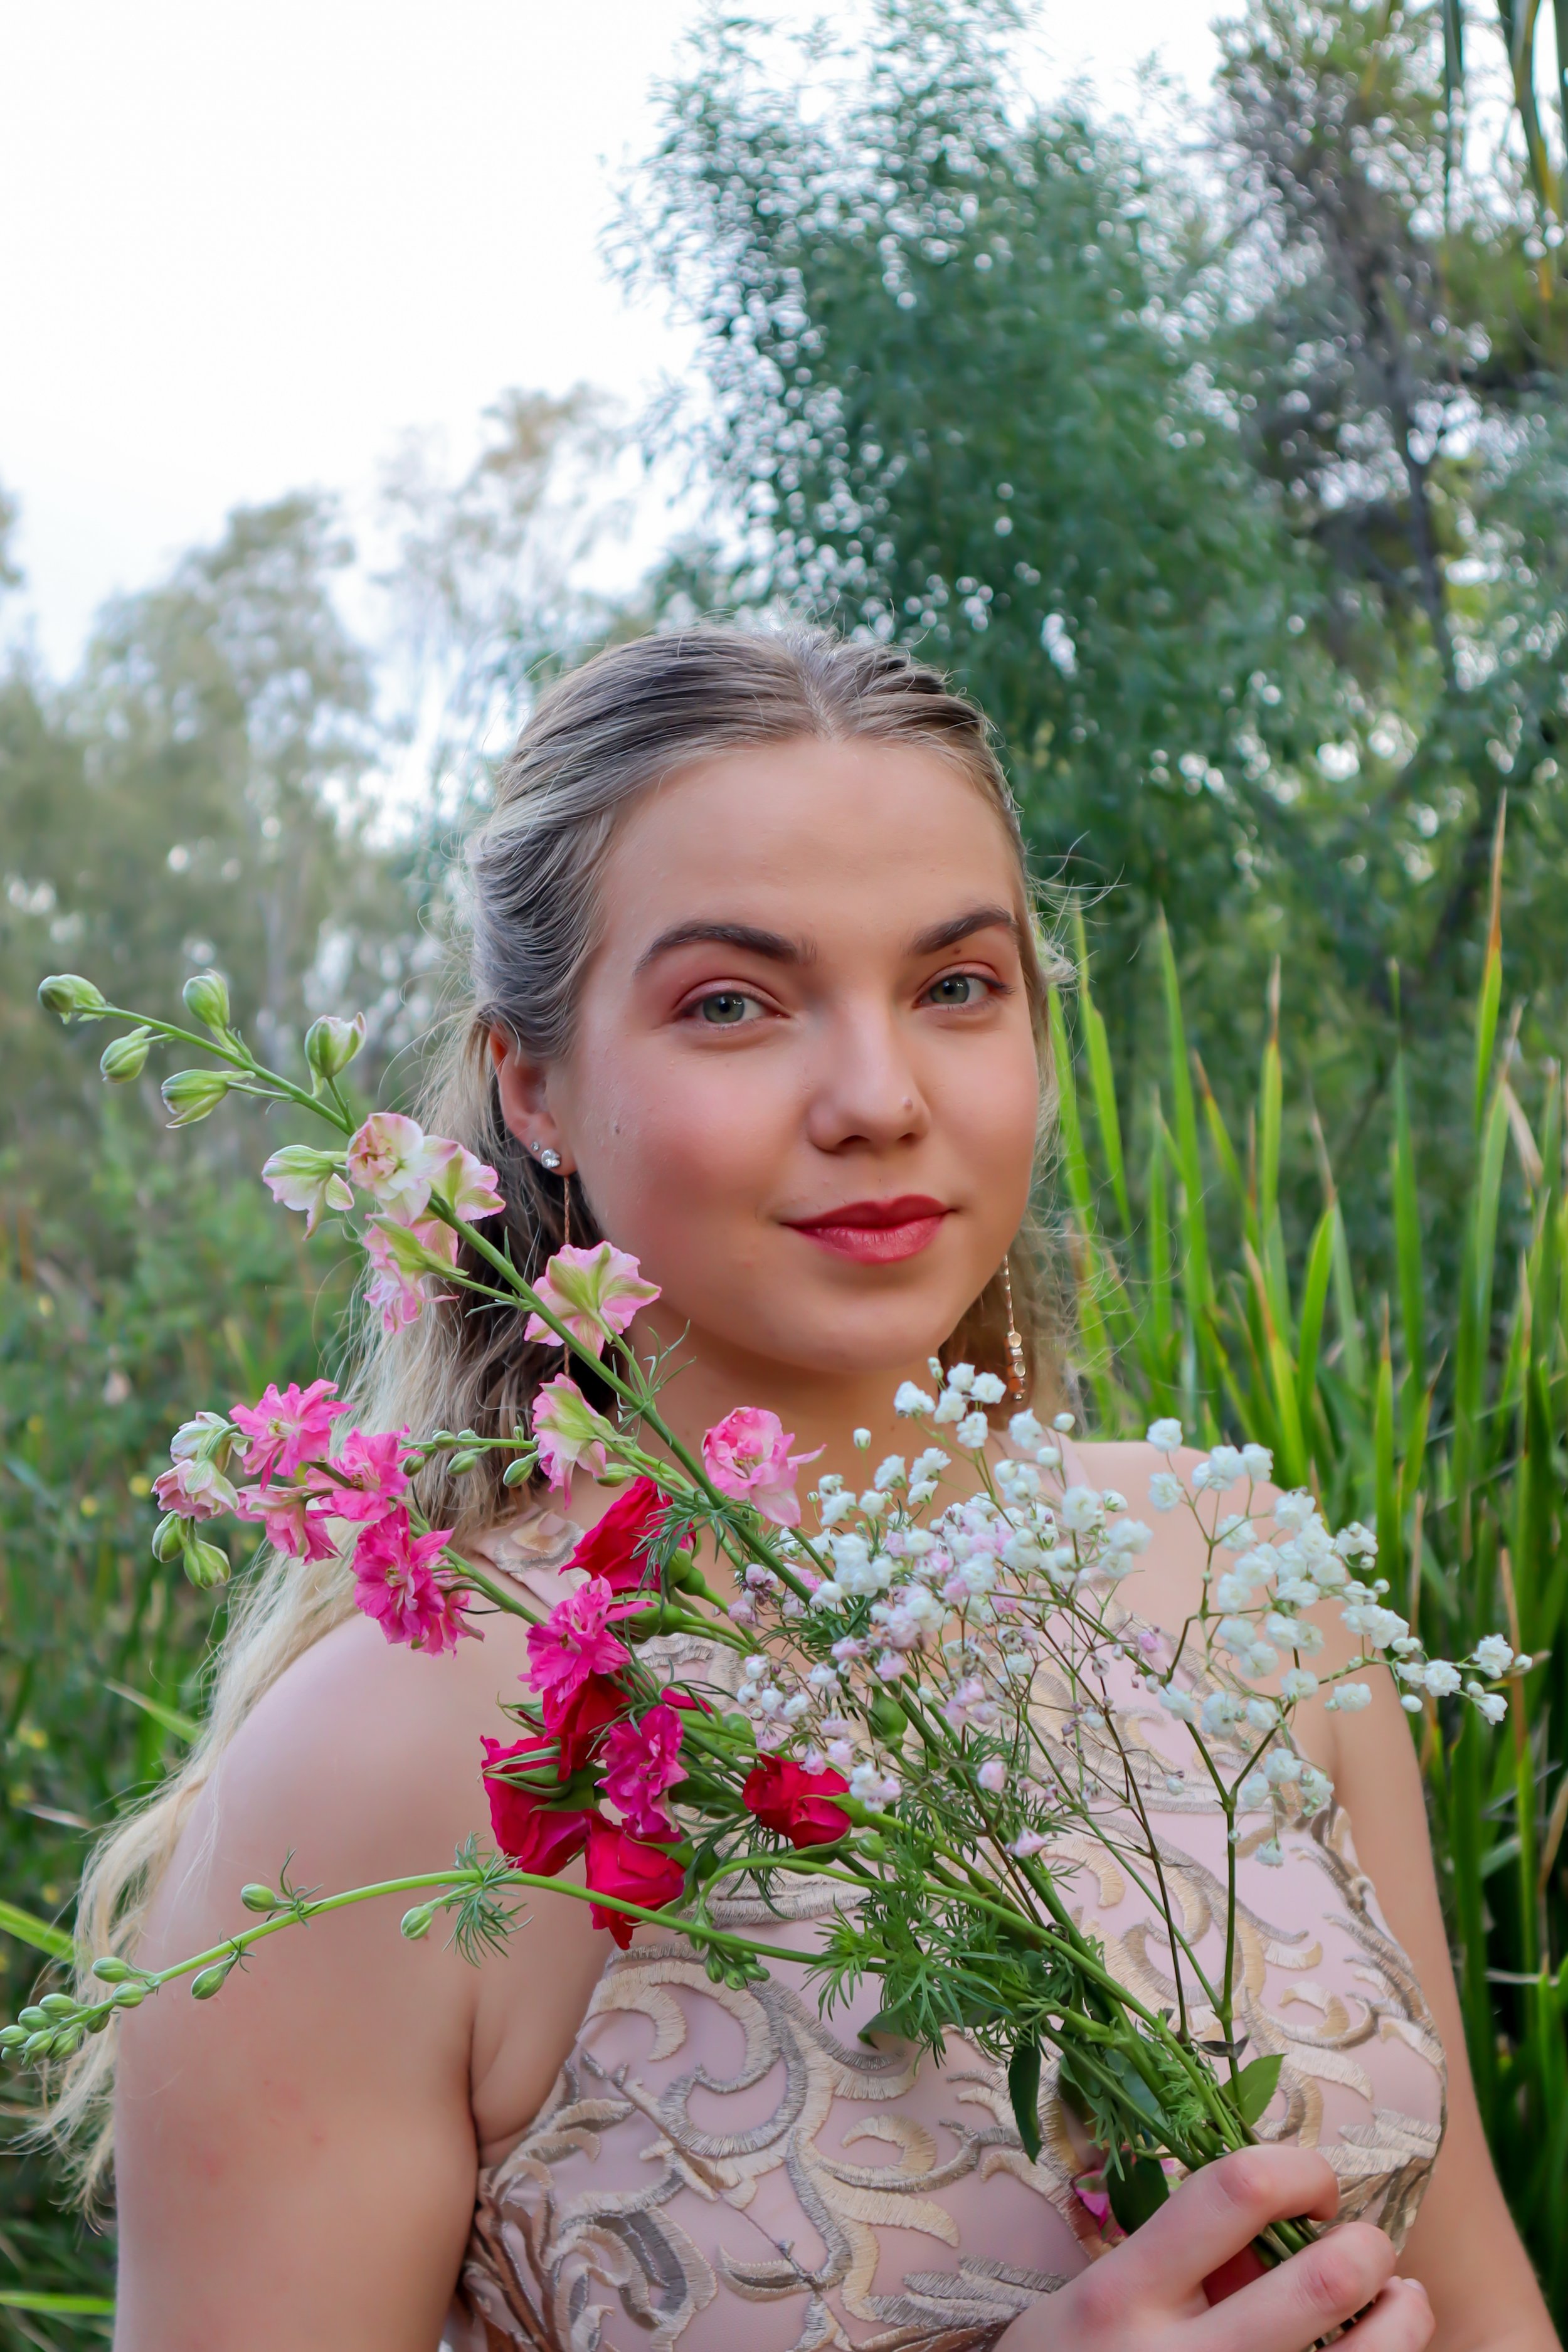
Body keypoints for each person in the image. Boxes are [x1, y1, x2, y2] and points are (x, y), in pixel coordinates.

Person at [63, 630, 1554, 2351]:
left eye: (956, 987)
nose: (878, 1099)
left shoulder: (1240, 1571)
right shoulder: (377, 1767)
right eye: (731, 1004)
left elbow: (1481, 2308)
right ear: (533, 1084)